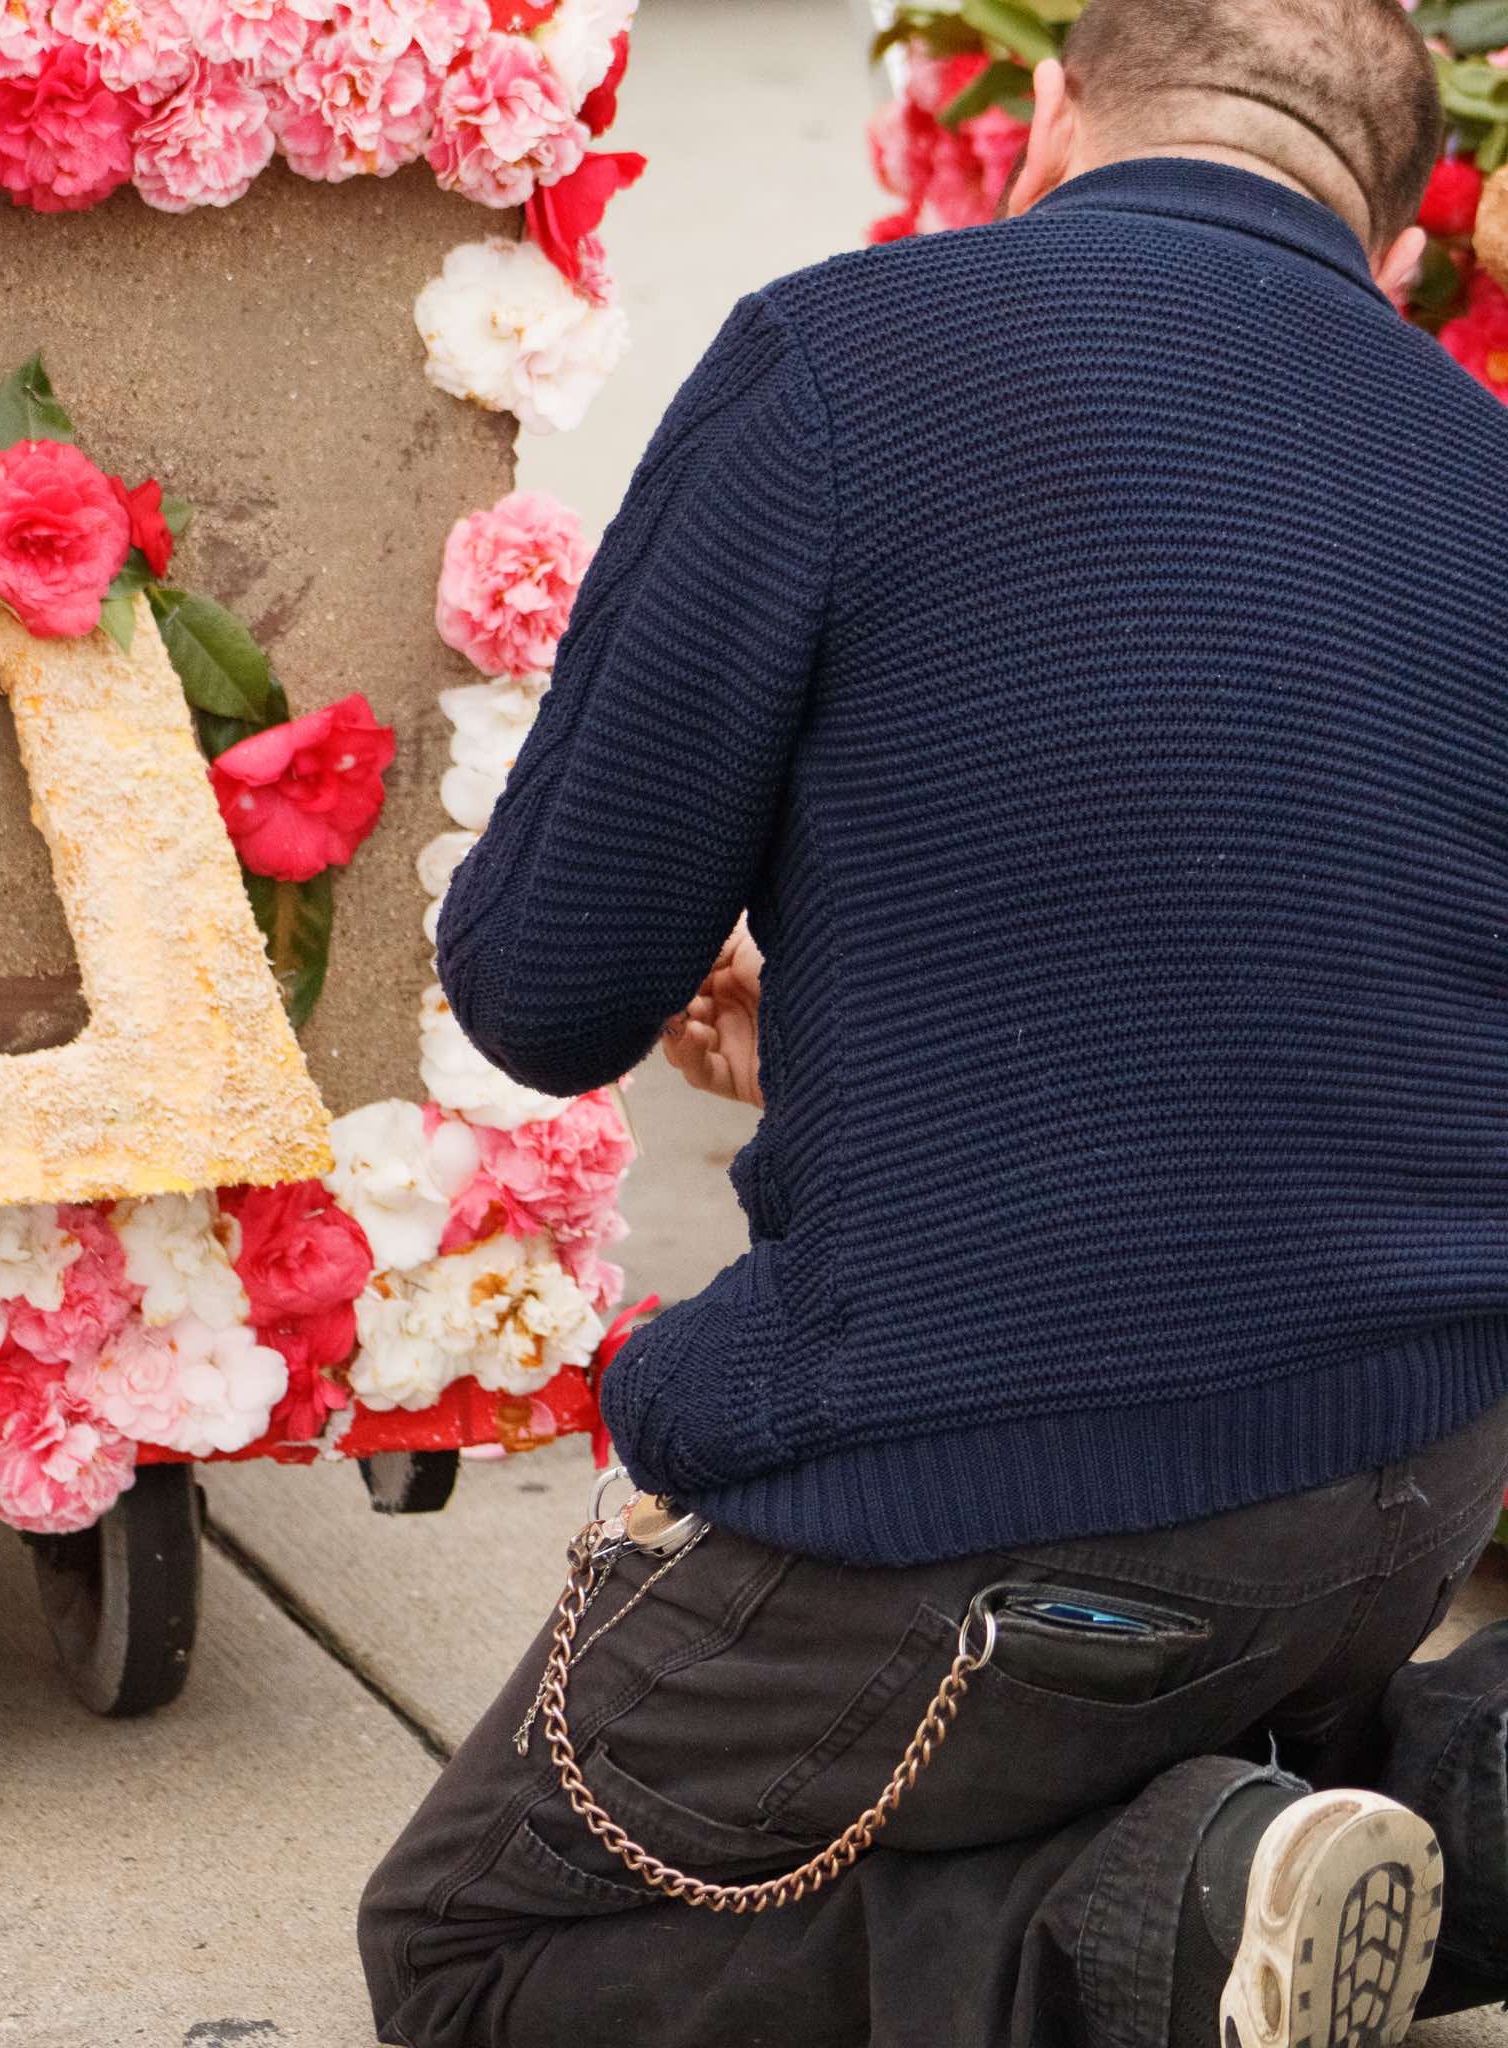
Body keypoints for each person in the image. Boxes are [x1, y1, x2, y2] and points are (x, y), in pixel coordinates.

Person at [359, 0, 1508, 2040]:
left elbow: (541, 988)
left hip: (1007, 1524)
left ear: (1048, 112)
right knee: (1198, 1696)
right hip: (1414, 1488)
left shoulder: (843, 358)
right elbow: (1331, 996)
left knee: (473, 1950)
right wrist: (863, 1017)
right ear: (1398, 237)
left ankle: (1145, 1938)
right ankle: (1434, 1818)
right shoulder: (1481, 463)